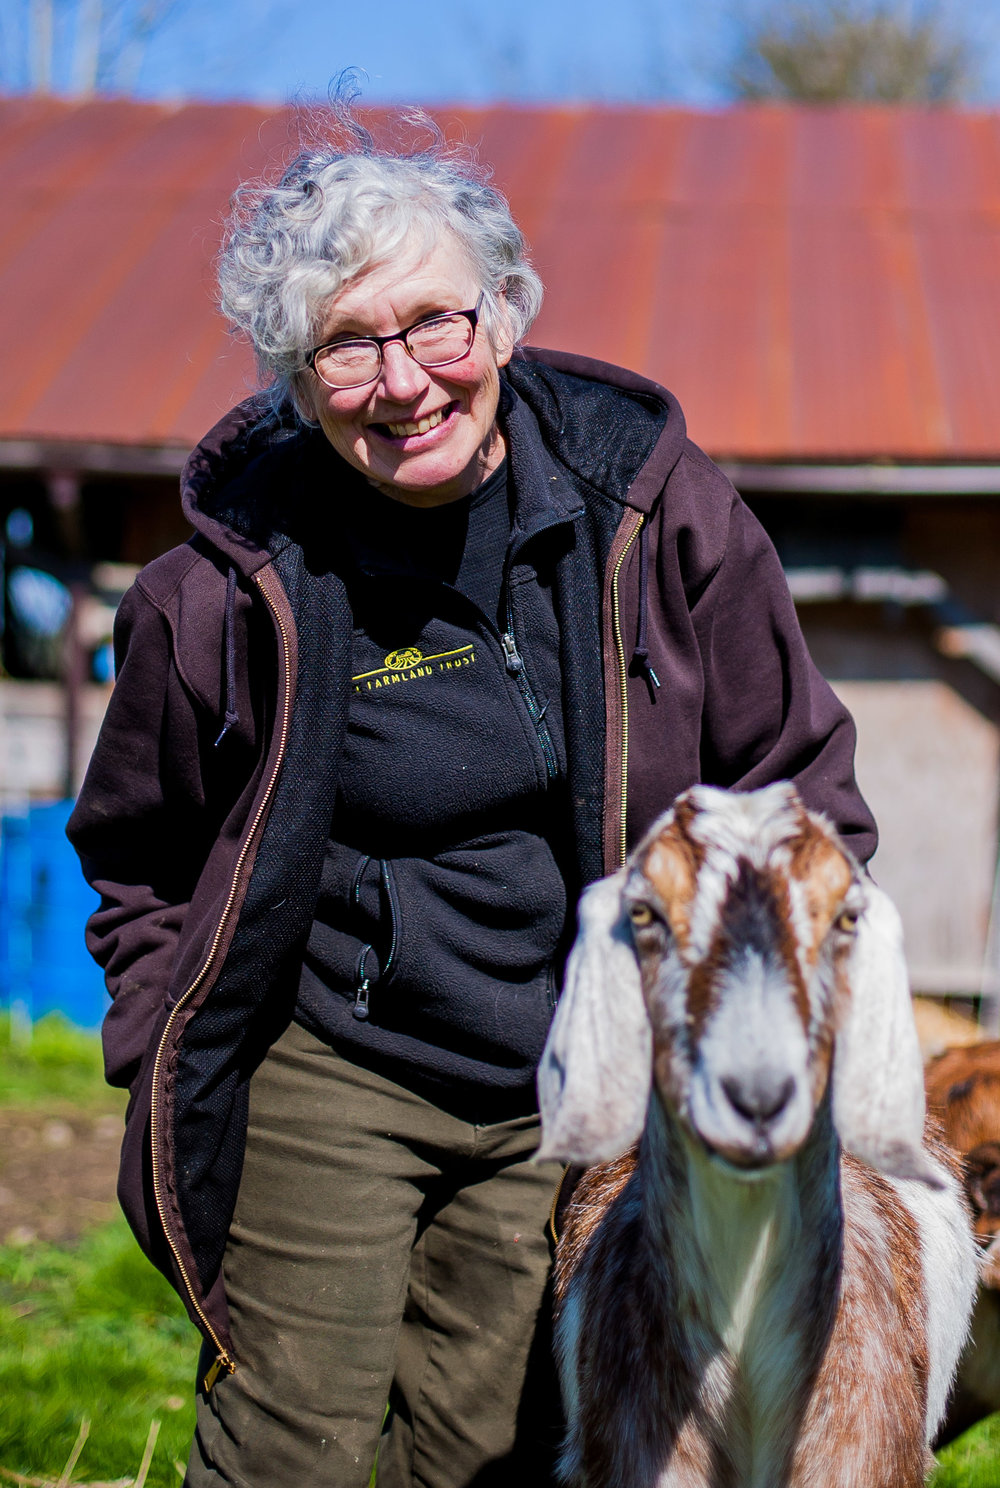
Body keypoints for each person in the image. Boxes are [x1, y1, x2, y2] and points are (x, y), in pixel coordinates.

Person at [67, 115, 876, 1488]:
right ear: (296, 378)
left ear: (503, 312)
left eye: (437, 322)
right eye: (348, 344)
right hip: (326, 1054)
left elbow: (795, 791)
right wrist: (163, 1037)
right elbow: (137, 852)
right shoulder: (218, 589)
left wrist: (753, 1024)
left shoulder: (651, 513)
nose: (405, 380)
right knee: (295, 1449)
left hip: (573, 1065)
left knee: (495, 1452)